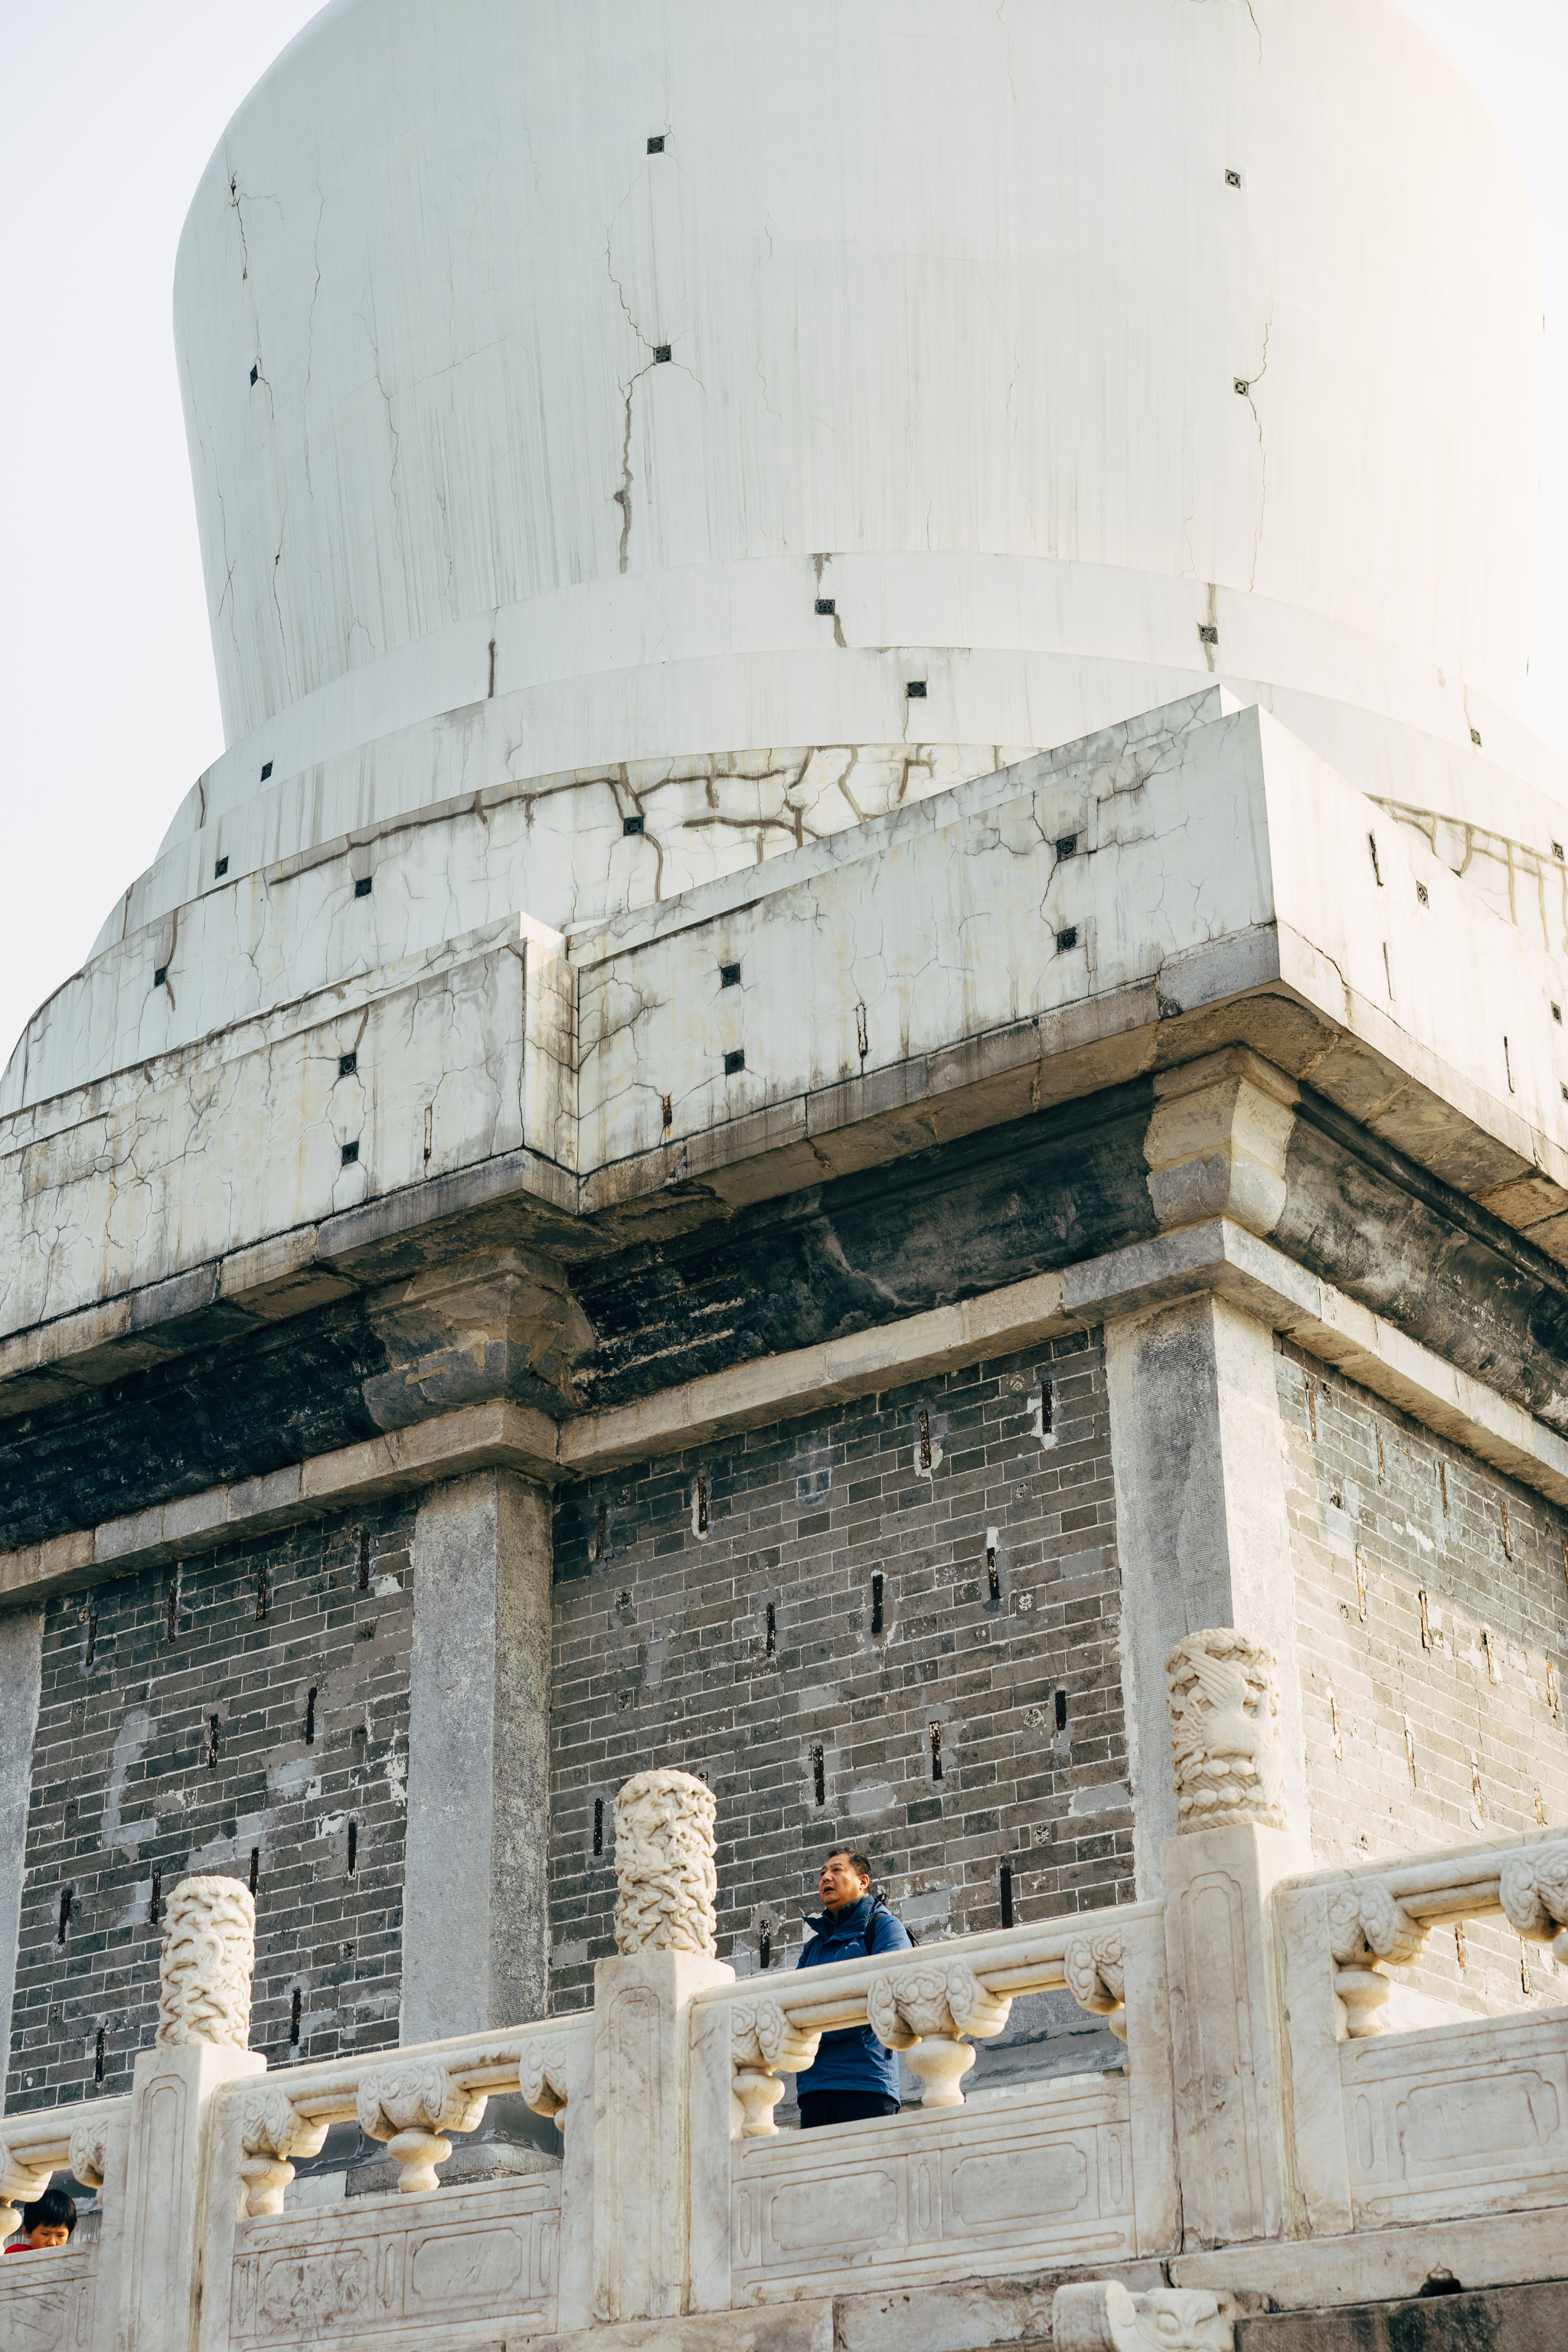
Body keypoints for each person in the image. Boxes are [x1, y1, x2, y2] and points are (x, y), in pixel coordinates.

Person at [792, 1847, 912, 2128]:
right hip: (814, 2086)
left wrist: (819, 2028)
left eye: (836, 1870)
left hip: (866, 2080)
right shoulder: (813, 1947)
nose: (826, 1878)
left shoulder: (883, 1928)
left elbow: (890, 1994)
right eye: (822, 1873)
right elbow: (794, 2006)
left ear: (863, 1881)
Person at [5, 2187, 76, 2251]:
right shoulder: (16, 2255)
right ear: (27, 2231)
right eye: (45, 2234)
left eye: (60, 2235)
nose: (52, 2243)